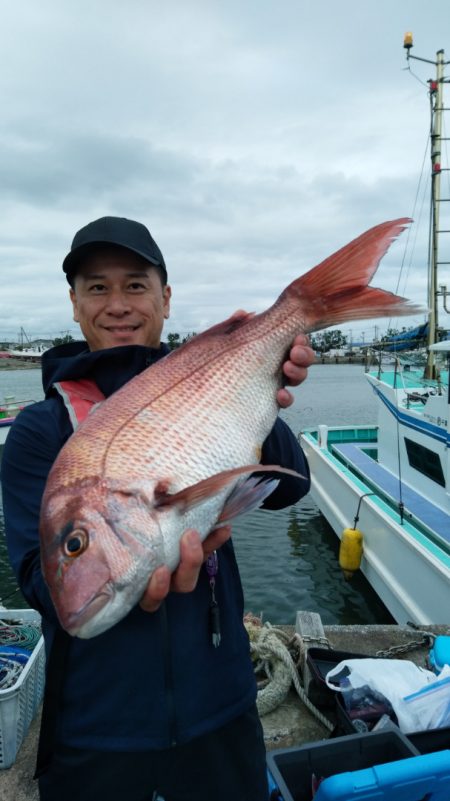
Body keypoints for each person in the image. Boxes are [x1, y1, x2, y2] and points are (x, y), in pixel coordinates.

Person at [1, 216, 315, 801]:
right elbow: (37, 580)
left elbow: (291, 487)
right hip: (95, 728)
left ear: (166, 300)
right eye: (97, 287)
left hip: (220, 706)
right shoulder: (38, 432)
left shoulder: (210, 385)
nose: (116, 304)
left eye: (136, 285)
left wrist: (260, 389)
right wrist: (122, 569)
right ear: (74, 304)